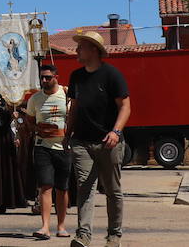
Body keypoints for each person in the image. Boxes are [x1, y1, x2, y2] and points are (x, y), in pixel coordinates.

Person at [65, 31, 129, 247]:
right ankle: (83, 235)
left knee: (112, 190)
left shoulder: (112, 75)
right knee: (84, 187)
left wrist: (116, 131)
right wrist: (67, 135)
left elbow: (126, 107)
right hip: (82, 142)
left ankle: (114, 235)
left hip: (109, 142)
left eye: (80, 47)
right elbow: (74, 108)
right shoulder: (76, 77)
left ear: (93, 49)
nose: (76, 50)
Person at [24, 64, 71, 240]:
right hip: (42, 146)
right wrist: (36, 128)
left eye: (48, 77)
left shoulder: (66, 94)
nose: (44, 81)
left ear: (56, 76)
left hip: (64, 147)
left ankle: (61, 226)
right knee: (45, 186)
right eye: (42, 78)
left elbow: (75, 117)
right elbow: (28, 120)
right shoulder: (34, 99)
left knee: (62, 188)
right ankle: (44, 227)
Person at [0, 88, 27, 213]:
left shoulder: (2, 113)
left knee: (0, 174)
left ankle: (1, 203)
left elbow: (14, 124)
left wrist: (14, 117)